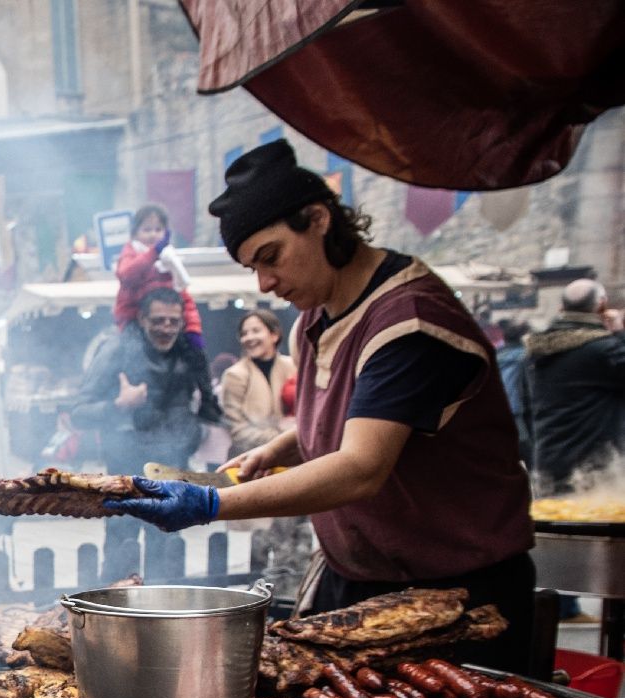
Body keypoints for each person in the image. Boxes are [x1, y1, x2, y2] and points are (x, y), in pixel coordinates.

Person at [108, 141, 535, 671]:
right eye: (253, 267)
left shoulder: (409, 324)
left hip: (457, 595)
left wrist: (211, 504)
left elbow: (361, 467)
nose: (265, 283)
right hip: (359, 579)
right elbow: (365, 414)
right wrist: (282, 447)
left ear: (318, 219)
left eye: (270, 257)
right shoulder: (316, 315)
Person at [73, 286, 220, 581]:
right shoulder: (117, 350)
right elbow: (79, 412)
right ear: (142, 319)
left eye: (173, 321)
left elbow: (210, 411)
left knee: (166, 554)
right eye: (158, 320)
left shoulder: (190, 353)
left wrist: (197, 429)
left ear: (182, 322)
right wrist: (120, 404)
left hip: (172, 472)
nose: (166, 328)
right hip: (125, 473)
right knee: (121, 554)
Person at [217, 309, 312, 594]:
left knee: (296, 533)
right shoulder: (235, 375)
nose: (249, 337)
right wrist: (280, 438)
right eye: (244, 333)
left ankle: (295, 592)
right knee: (261, 539)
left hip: (295, 466)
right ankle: (262, 596)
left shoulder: (294, 366)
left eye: (256, 330)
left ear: (274, 334)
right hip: (255, 467)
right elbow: (237, 429)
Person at [524, 279, 625, 494]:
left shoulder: (538, 350)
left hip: (549, 461)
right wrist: (619, 331)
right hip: (595, 466)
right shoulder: (604, 351)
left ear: (562, 308)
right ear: (602, 305)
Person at [113, 203, 204, 345]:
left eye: (158, 229)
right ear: (135, 233)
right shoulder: (130, 252)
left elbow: (184, 298)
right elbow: (126, 274)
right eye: (147, 229)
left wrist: (193, 329)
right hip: (132, 321)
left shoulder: (169, 258)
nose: (153, 234)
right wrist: (153, 253)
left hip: (165, 323)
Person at [493, 318, 533, 462]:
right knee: (530, 454)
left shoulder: (495, 355)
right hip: (521, 411)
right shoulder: (527, 356)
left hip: (499, 412)